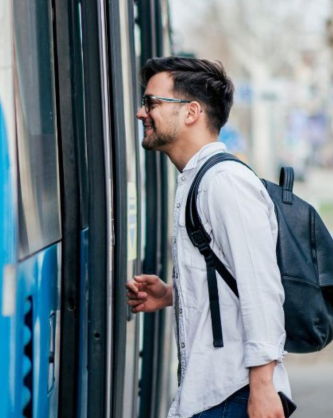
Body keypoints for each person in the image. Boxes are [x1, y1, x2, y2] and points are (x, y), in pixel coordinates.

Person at [126, 57, 290, 418]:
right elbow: (225, 275)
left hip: (234, 393)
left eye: (152, 103)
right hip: (213, 393)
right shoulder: (198, 179)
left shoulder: (224, 183)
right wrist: (171, 294)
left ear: (191, 112)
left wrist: (263, 388)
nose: (142, 113)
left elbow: (261, 287)